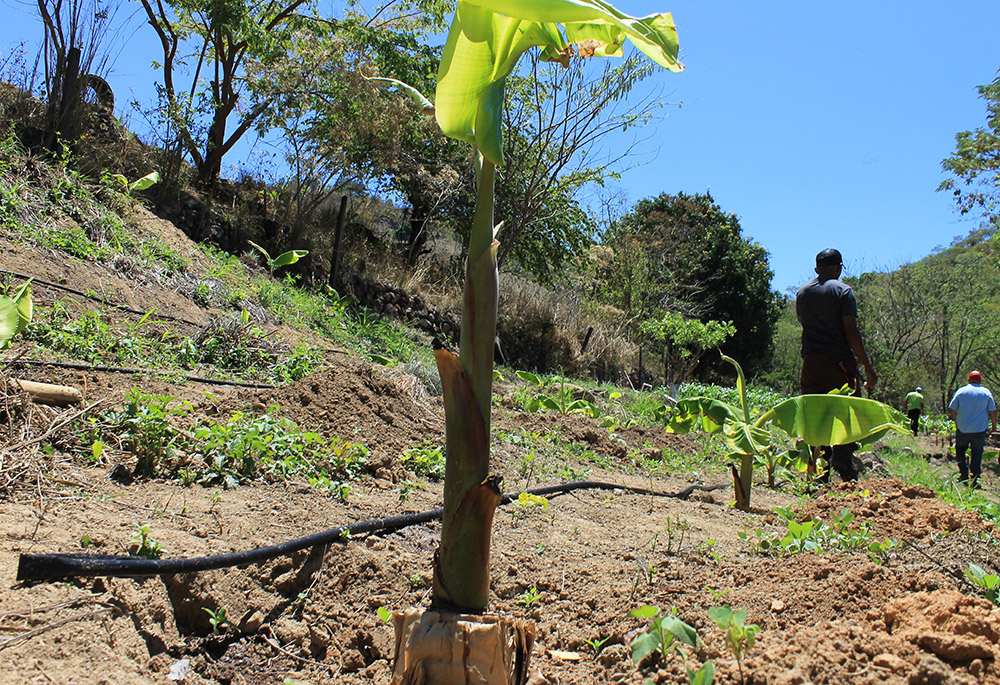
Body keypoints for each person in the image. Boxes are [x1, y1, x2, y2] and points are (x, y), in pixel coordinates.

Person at [796, 248, 878, 481]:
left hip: (810, 361)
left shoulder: (802, 293)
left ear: (816, 268)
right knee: (846, 411)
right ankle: (842, 458)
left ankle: (817, 468)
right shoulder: (843, 291)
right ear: (839, 267)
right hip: (838, 362)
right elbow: (850, 330)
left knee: (815, 414)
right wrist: (868, 367)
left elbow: (803, 322)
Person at [947, 371, 997, 484]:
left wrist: (956, 421)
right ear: (979, 381)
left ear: (969, 380)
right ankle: (975, 478)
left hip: (963, 427)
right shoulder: (986, 392)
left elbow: (952, 408)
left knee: (960, 450)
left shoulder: (961, 391)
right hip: (979, 429)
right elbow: (993, 412)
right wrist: (993, 428)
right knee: (977, 453)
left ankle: (963, 475)